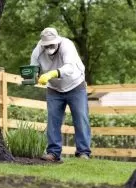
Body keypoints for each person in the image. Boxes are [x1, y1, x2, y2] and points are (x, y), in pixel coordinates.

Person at [30, 27, 91, 162]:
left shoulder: (67, 45)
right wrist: (33, 76)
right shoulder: (38, 50)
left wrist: (52, 73)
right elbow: (33, 67)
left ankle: (83, 152)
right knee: (53, 120)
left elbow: (70, 67)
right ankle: (53, 153)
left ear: (57, 41)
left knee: (81, 118)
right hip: (54, 89)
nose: (49, 47)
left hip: (75, 85)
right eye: (46, 45)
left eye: (52, 44)